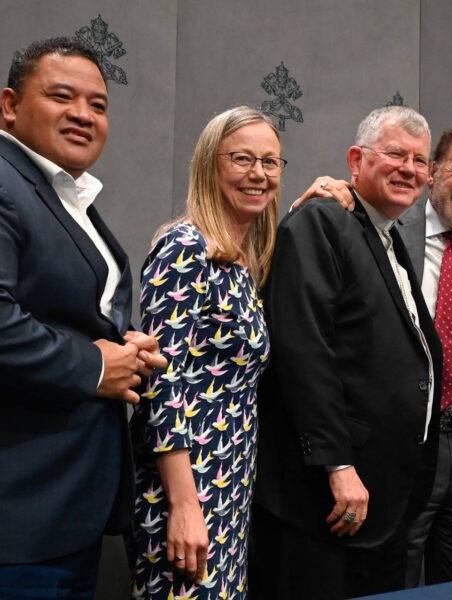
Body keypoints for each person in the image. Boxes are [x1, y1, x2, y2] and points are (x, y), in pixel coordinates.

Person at [300, 122, 452, 584]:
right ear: (434, 170)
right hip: (398, 446)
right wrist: (327, 190)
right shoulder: (382, 226)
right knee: (390, 577)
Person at [253, 105, 443, 599]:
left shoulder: (385, 234)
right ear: (356, 160)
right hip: (327, 499)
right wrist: (337, 465)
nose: (409, 169)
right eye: (396, 154)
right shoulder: (322, 221)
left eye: (420, 161)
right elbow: (304, 352)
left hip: (383, 500)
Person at [0, 38, 165, 599]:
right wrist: (95, 367)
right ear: (10, 106)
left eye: (98, 105)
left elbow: (63, 312)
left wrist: (124, 348)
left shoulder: (64, 195)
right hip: (20, 517)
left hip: (67, 508)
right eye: (61, 96)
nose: (83, 114)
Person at [130, 106, 281, 600]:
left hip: (230, 482)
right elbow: (161, 382)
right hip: (187, 487)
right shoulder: (184, 246)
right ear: (209, 164)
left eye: (270, 162)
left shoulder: (239, 260)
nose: (258, 174)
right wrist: (184, 505)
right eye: (242, 159)